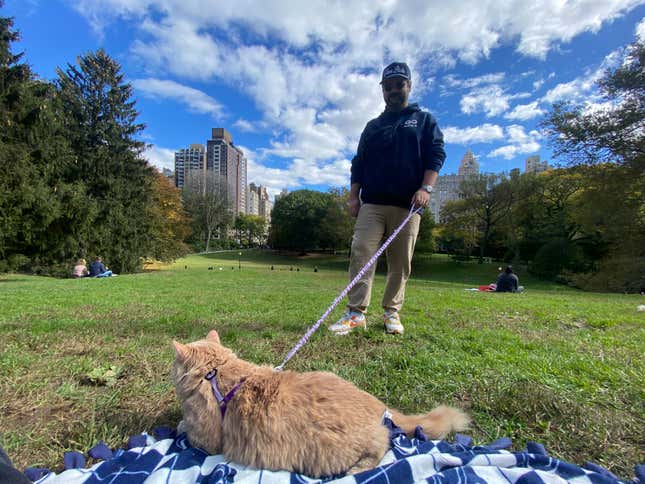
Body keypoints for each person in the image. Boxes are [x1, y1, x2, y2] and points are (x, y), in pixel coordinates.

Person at [329, 62, 445, 336]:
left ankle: (392, 313)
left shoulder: (424, 120)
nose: (393, 90)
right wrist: (353, 197)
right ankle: (356, 313)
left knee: (400, 263)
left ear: (409, 86)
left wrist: (426, 189)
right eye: (388, 86)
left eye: (399, 85)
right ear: (383, 90)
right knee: (361, 255)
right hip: (372, 204)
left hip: (408, 206)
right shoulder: (373, 126)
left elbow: (436, 155)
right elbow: (358, 163)